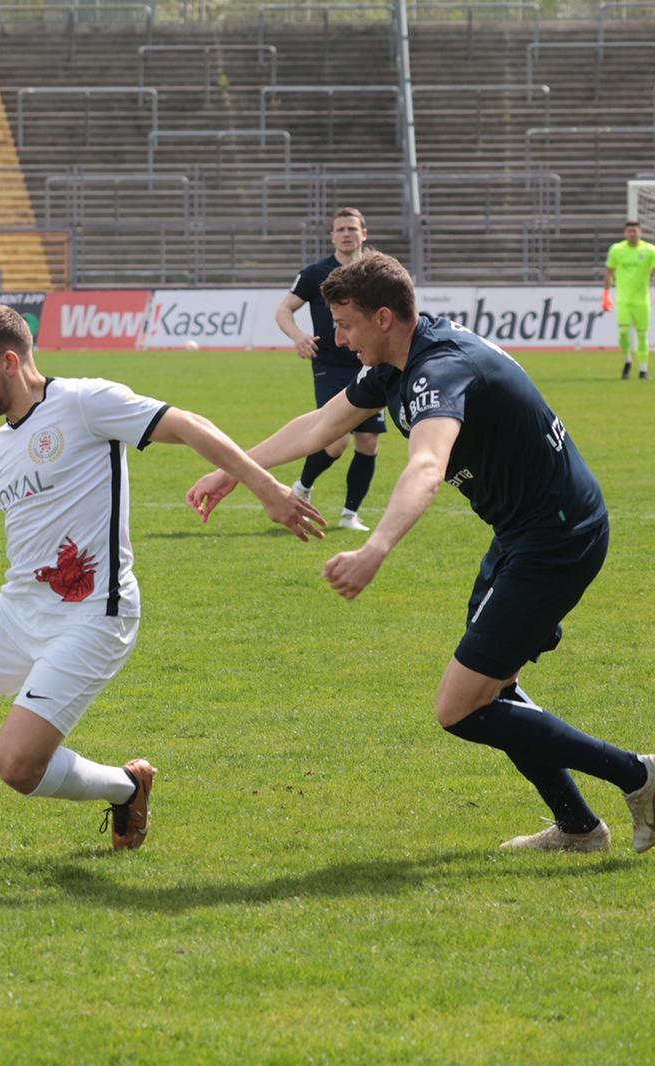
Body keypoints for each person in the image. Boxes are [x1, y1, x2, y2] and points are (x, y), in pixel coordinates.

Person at [188, 251, 655, 854]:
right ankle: (578, 828)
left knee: (460, 708)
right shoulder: (396, 361)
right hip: (523, 532)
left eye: (347, 324)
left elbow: (428, 467)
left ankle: (639, 776)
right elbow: (319, 426)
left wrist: (375, 548)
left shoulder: (440, 370)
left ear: (384, 318)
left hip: (557, 537)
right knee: (492, 691)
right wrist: (239, 472)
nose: (336, 337)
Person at [0, 305, 323, 850]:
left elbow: (188, 425)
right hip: (20, 607)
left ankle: (126, 787)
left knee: (16, 765)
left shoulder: (86, 403)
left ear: (11, 361)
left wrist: (266, 489)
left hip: (93, 615)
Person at [275, 207, 384, 532]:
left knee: (368, 442)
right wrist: (298, 337)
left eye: (352, 228)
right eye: (340, 229)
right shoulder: (315, 273)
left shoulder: (376, 272)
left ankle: (350, 515)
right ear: (332, 236)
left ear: (364, 233)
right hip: (330, 367)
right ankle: (303, 487)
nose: (347, 234)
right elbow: (284, 310)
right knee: (335, 441)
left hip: (371, 365)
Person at [603, 220, 655, 380]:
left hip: (642, 301)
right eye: (629, 231)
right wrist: (606, 294)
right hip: (623, 300)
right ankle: (627, 361)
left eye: (635, 231)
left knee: (642, 335)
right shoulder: (617, 250)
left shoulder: (650, 250)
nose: (632, 234)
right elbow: (609, 272)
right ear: (625, 233)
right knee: (624, 333)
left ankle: (643, 370)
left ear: (640, 232)